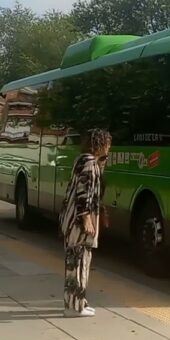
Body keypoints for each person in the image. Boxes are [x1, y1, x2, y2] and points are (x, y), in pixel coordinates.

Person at [59, 128, 111, 318]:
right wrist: (86, 218)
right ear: (100, 144)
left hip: (73, 220)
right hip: (78, 223)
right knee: (79, 262)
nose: (109, 148)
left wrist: (101, 163)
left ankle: (78, 301)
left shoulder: (84, 160)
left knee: (77, 262)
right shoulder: (89, 163)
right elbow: (84, 192)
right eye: (107, 144)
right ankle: (74, 307)